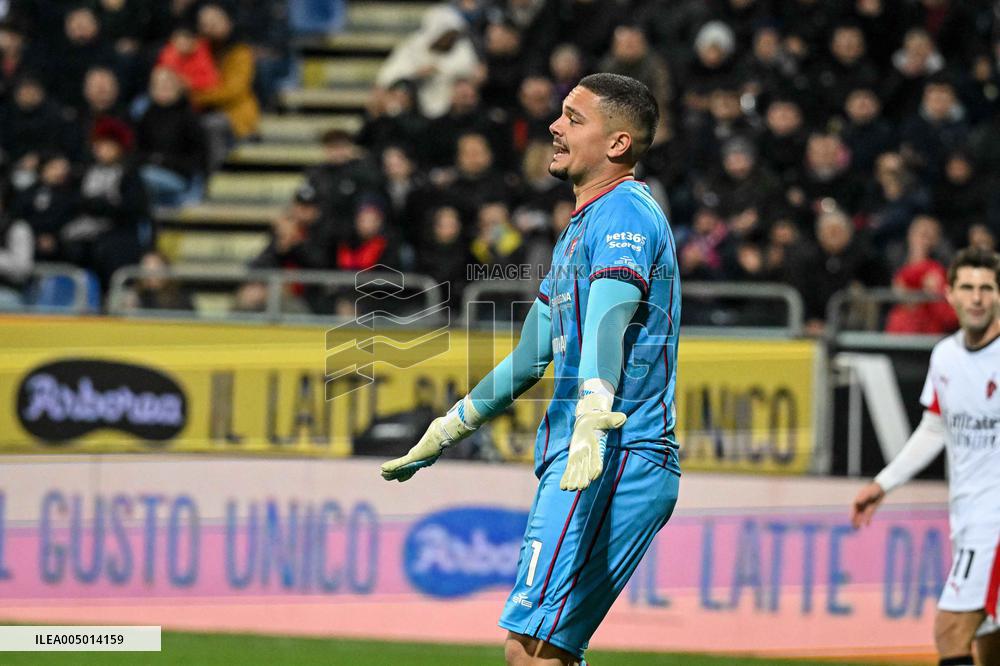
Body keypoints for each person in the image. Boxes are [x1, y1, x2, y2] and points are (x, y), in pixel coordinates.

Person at [381, 73, 680, 666]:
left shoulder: (626, 213)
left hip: (609, 455)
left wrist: (594, 415)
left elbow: (609, 319)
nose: (554, 125)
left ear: (617, 144)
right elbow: (528, 358)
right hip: (588, 456)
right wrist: (448, 427)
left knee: (531, 651)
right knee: (548, 649)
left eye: (573, 117)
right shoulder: (579, 229)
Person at [851, 247, 1000, 666]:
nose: (976, 298)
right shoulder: (946, 356)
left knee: (951, 628)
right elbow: (935, 427)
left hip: (995, 523)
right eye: (967, 287)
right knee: (990, 643)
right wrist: (883, 483)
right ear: (949, 294)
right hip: (968, 517)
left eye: (987, 289)